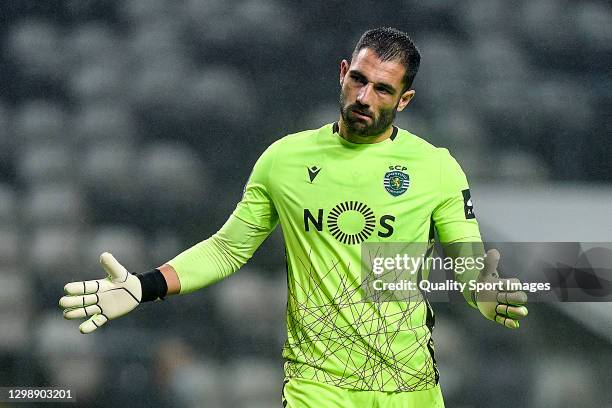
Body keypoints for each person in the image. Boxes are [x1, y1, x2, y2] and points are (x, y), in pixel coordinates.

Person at [59, 27, 528, 407]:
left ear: (404, 100)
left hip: (411, 388)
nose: (365, 96)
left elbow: (468, 262)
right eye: (358, 80)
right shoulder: (284, 159)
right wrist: (144, 285)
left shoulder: (436, 167)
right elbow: (228, 248)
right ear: (343, 73)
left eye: (383, 89)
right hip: (316, 387)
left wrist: (485, 295)